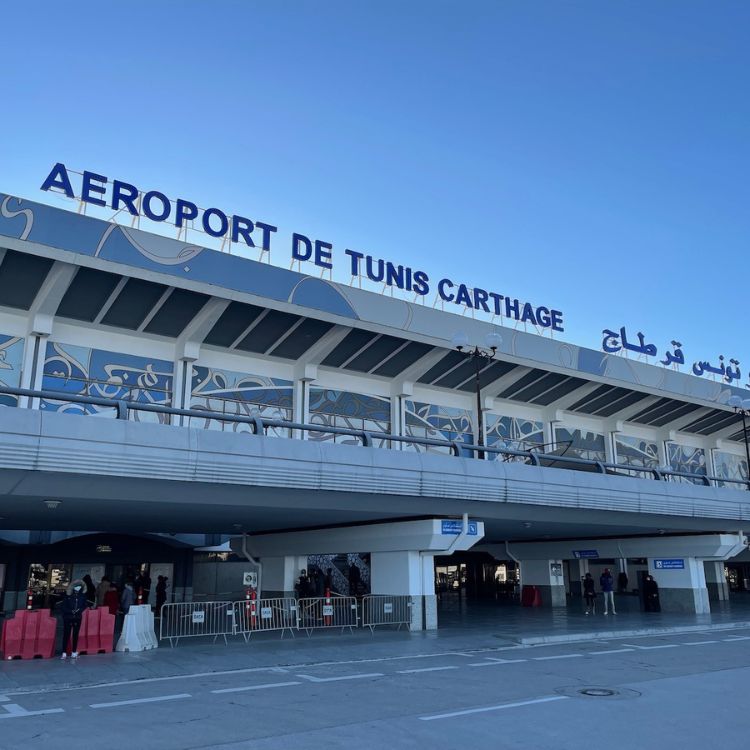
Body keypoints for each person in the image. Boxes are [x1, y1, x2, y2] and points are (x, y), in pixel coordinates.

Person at [60, 579, 89, 659]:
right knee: (66, 634)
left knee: (75, 635)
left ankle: (73, 652)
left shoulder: (82, 596)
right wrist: (71, 611)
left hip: (77, 617)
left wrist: (79, 610)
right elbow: (63, 607)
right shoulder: (67, 595)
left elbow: (84, 605)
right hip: (68, 617)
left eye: (79, 586)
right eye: (77, 586)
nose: (78, 588)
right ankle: (64, 652)